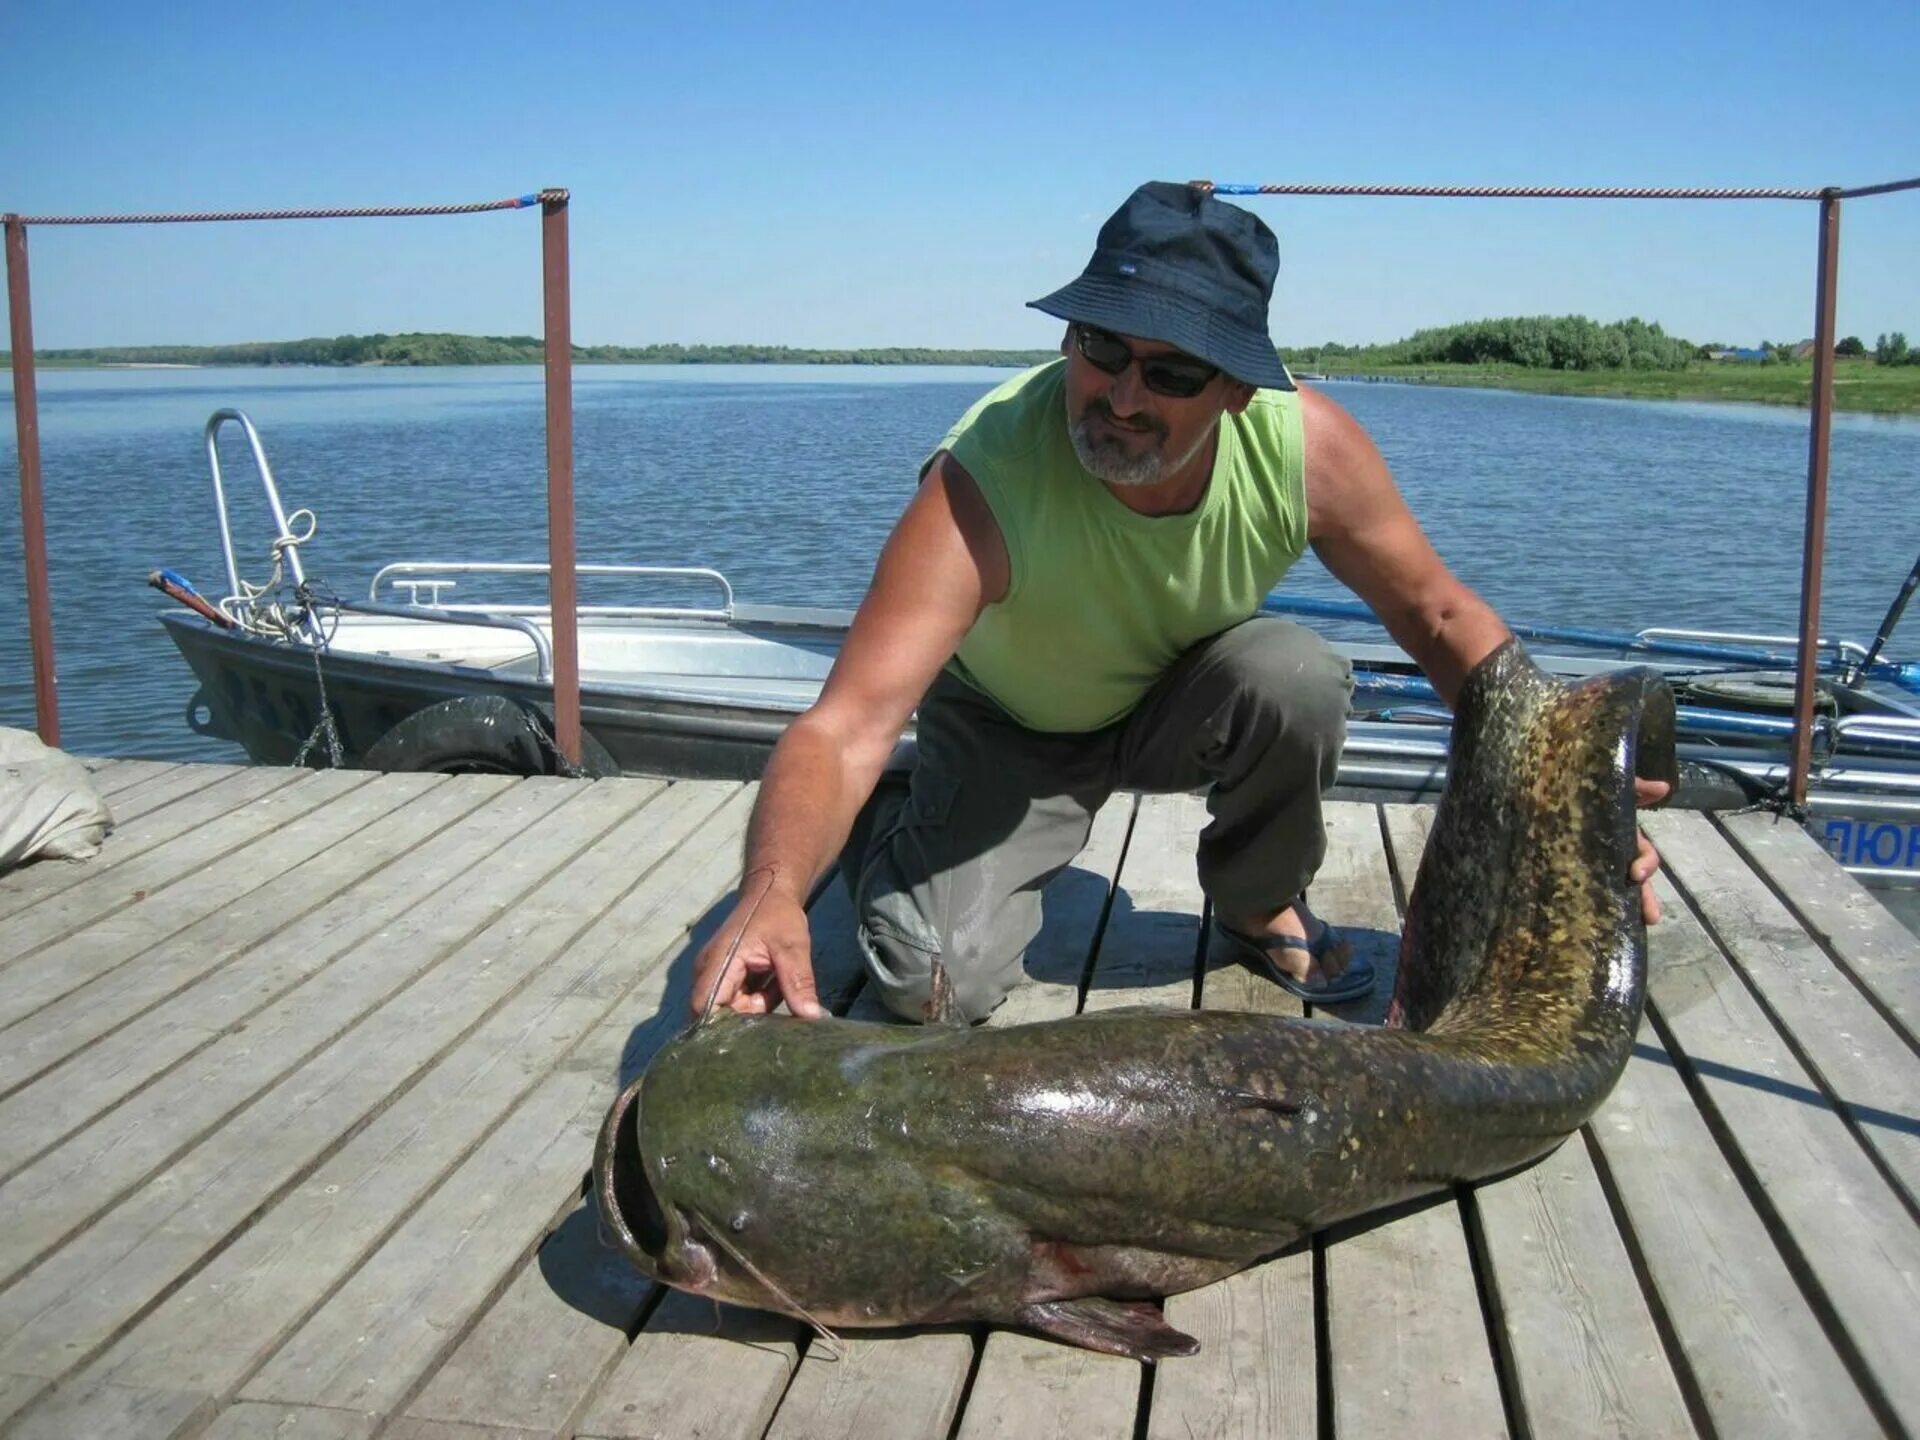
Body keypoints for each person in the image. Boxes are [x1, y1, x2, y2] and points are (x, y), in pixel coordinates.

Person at [691, 180, 1665, 1024]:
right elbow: (846, 726)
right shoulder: (979, 483)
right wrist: (770, 895)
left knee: (1296, 675)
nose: (1119, 395)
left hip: (1178, 696)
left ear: (1239, 392)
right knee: (929, 985)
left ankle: (1256, 902)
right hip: (1009, 726)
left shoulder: (1304, 448)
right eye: (1100, 347)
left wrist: (1569, 794)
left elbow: (1441, 618)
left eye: (1171, 372)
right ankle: (894, 823)